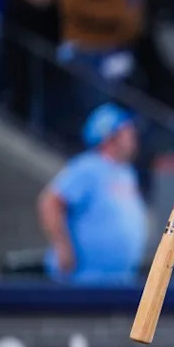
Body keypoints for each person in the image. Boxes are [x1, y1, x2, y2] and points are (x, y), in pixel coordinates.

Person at [36, 102, 148, 284]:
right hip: (83, 281)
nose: (133, 135)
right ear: (110, 136)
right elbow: (50, 202)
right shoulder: (87, 167)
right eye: (127, 130)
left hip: (119, 281)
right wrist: (62, 246)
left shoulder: (127, 172)